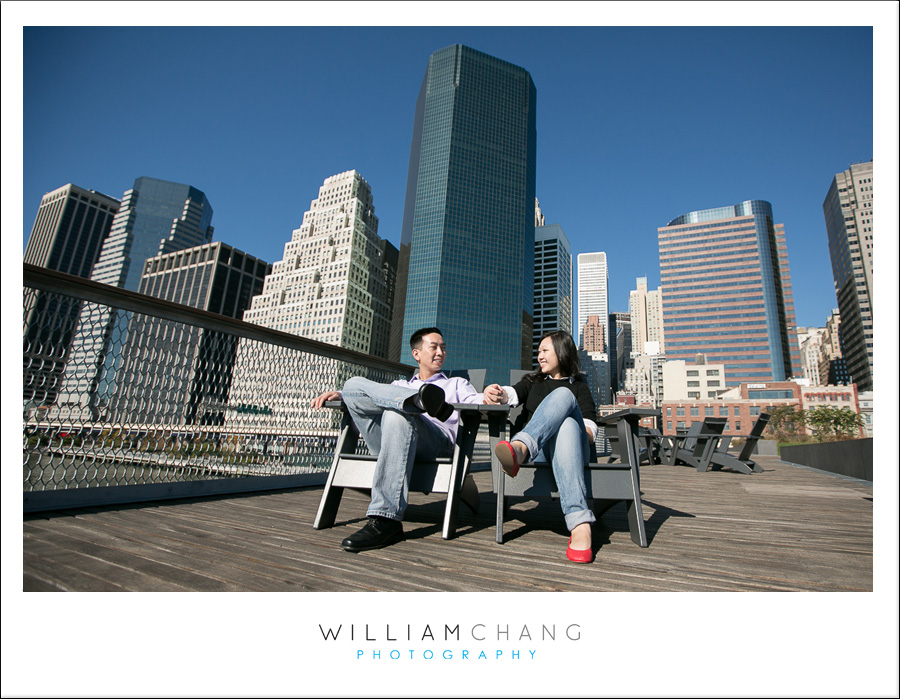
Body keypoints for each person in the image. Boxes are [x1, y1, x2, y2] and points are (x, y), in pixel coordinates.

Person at [311, 327, 482, 552]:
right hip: (393, 442)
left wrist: (490, 395)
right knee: (352, 384)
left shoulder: (456, 383)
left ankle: (386, 520)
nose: (440, 352)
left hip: (435, 443)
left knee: (395, 414)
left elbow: (477, 401)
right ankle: (417, 402)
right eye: (434, 347)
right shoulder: (398, 386)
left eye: (443, 348)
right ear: (416, 354)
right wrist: (345, 397)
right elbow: (366, 396)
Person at [483, 330, 599, 563]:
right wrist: (495, 393)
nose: (540, 357)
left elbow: (589, 433)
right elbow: (510, 394)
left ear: (562, 351)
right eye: (538, 352)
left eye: (545, 351)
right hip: (541, 454)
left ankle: (521, 447)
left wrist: (561, 422)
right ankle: (580, 524)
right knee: (564, 415)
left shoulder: (580, 388)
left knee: (566, 415)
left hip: (573, 451)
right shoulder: (531, 382)